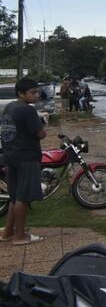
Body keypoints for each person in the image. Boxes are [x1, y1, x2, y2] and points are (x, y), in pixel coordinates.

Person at [0, 78, 47, 245]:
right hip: (27, 157)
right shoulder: (27, 110)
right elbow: (40, 134)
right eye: (32, 92)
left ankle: (7, 233)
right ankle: (20, 236)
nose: (36, 95)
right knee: (23, 198)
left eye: (37, 92)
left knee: (14, 197)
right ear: (21, 93)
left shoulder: (9, 107)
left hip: (10, 156)